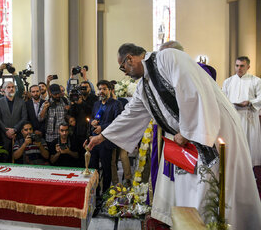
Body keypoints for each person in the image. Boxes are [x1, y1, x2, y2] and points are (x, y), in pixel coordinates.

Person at [86, 43, 261, 229]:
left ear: (130, 58)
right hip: (186, 141)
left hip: (209, 129)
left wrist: (185, 132)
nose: (124, 73)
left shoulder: (167, 58)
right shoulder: (143, 86)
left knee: (212, 189)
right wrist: (102, 136)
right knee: (192, 191)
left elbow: (191, 90)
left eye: (123, 67)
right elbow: (130, 114)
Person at [222, 56, 261, 167]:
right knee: (234, 144)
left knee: (249, 143)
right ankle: (234, 168)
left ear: (248, 66)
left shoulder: (256, 81)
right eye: (237, 65)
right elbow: (223, 98)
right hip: (233, 116)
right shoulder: (228, 82)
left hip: (249, 116)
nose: (239, 68)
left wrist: (250, 102)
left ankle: (250, 170)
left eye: (242, 66)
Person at [89, 80, 123, 193]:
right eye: (100, 89)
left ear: (110, 90)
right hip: (94, 140)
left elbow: (118, 121)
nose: (101, 91)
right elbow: (93, 118)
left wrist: (102, 128)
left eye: (104, 89)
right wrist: (92, 122)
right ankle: (95, 192)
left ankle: (105, 193)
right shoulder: (96, 104)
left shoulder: (116, 104)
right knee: (93, 168)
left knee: (106, 168)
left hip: (106, 141)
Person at [0, 81, 28, 162]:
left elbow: (24, 118)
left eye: (13, 87)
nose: (11, 89)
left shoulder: (21, 102)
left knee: (18, 159)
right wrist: (7, 131)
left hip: (18, 135)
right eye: (8, 87)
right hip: (4, 136)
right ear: (4, 90)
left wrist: (14, 129)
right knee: (5, 158)